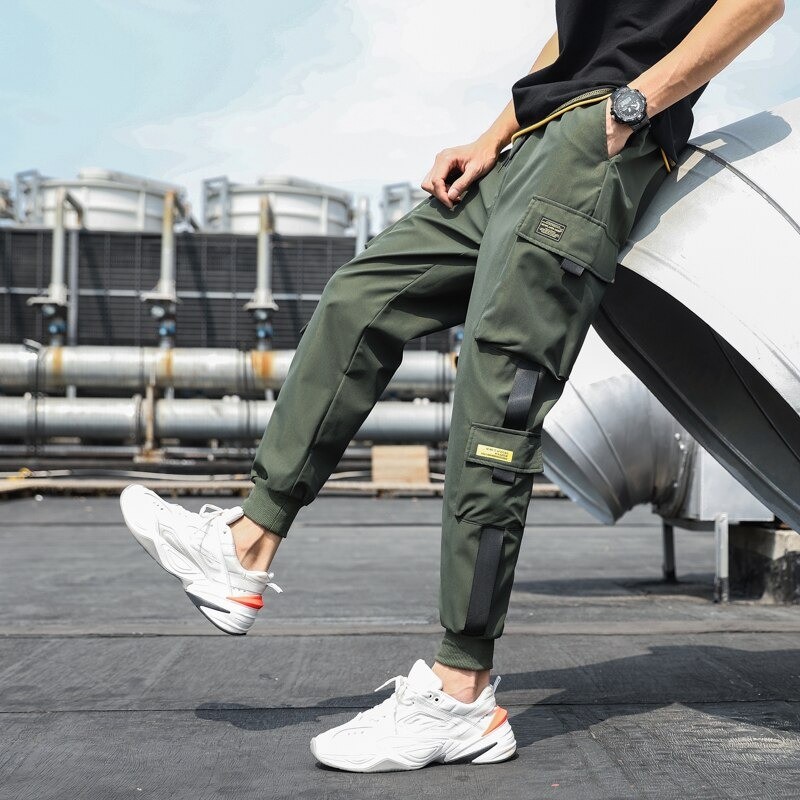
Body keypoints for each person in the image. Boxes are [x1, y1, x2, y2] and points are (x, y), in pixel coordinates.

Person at [120, 0, 784, 773]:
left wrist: (633, 107)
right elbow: (583, 33)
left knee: (494, 404)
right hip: (537, 136)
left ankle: (461, 693)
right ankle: (246, 544)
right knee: (361, 297)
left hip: (595, 146)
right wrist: (494, 135)